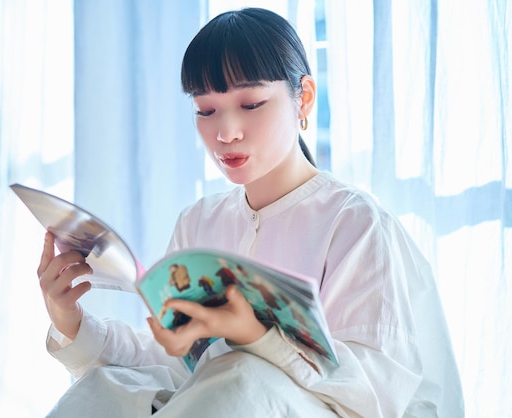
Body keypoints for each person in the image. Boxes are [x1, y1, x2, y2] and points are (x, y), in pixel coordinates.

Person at [37, 8, 464, 417]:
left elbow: (378, 387)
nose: (225, 133)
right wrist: (70, 321)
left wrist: (258, 337)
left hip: (288, 405)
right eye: (205, 110)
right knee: (107, 388)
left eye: (251, 104)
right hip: (221, 400)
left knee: (240, 375)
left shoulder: (354, 222)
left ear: (304, 99)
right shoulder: (199, 221)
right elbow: (171, 363)